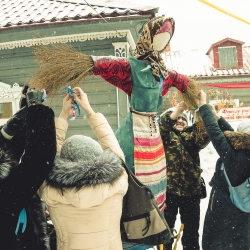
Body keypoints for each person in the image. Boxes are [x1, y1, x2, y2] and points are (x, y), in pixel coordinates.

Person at [39, 87, 128, 250]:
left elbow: (47, 158)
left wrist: (63, 115)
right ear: (98, 156)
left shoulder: (50, 188)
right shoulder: (118, 181)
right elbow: (113, 149)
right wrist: (89, 110)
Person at [0, 88, 57, 249]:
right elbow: (38, 159)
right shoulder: (7, 191)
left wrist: (8, 133)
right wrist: (36, 109)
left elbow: (12, 158)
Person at [197, 90, 250, 250]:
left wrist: (204, 107)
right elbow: (232, 136)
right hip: (242, 219)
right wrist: (217, 116)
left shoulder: (236, 157)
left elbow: (217, 135)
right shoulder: (243, 152)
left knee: (218, 244)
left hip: (224, 214)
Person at [159, 101, 210, 250]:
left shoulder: (192, 136)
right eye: (178, 118)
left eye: (184, 118)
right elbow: (161, 126)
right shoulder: (165, 137)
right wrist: (176, 111)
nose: (180, 120)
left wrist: (201, 110)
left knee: (191, 234)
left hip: (191, 192)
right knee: (165, 232)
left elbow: (205, 134)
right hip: (169, 192)